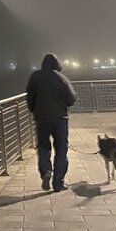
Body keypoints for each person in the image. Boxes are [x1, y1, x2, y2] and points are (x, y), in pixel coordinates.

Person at [26, 53, 76, 192]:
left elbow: (30, 96)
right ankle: (58, 183)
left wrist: (34, 110)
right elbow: (71, 99)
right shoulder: (62, 78)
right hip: (60, 119)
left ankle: (46, 172)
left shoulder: (35, 77)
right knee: (61, 149)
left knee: (43, 147)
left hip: (41, 119)